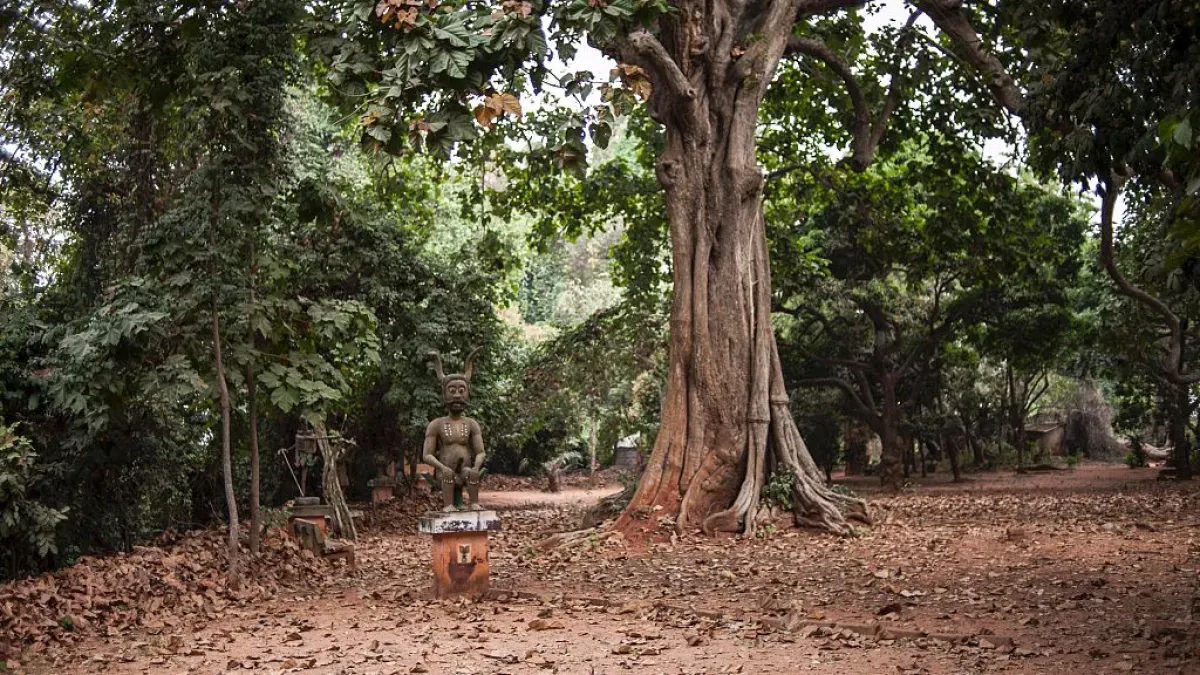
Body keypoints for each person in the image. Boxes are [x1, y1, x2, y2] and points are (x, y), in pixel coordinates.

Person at [423, 349, 486, 511]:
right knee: (448, 474)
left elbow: (480, 452)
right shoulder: (436, 424)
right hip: (444, 471)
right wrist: (442, 467)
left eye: (461, 390)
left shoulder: (472, 424)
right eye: (452, 391)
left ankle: (474, 503)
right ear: (444, 395)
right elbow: (427, 455)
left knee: (471, 474)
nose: (457, 395)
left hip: (465, 470)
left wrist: (476, 467)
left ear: (467, 394)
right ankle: (448, 505)